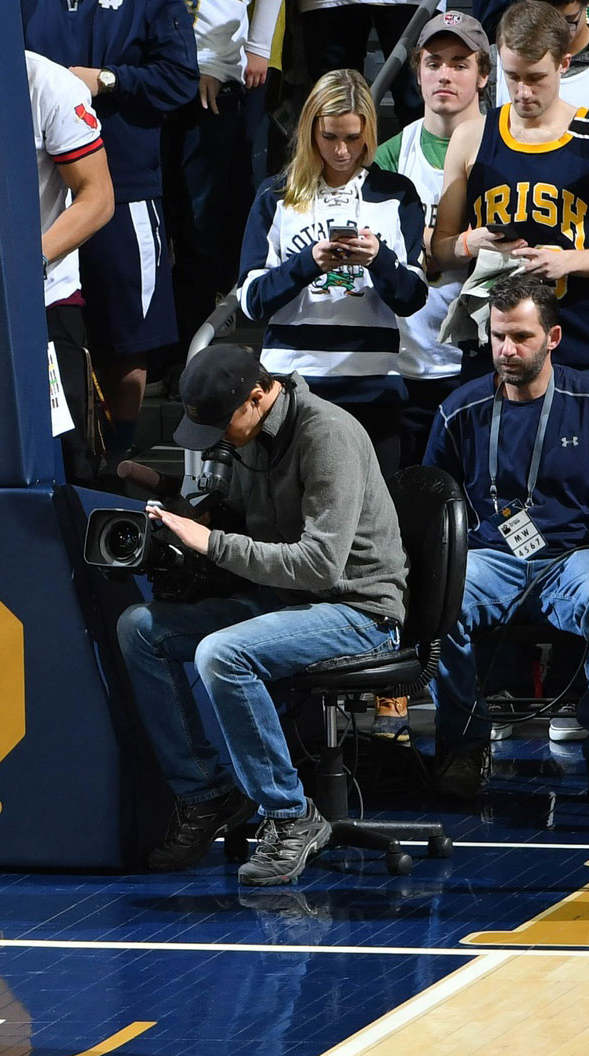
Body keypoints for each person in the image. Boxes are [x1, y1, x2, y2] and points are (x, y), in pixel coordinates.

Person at [116, 344, 408, 886]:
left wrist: (212, 543)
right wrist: (182, 508)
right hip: (283, 600)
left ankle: (291, 815)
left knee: (222, 653)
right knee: (141, 629)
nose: (219, 440)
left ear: (256, 397)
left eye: (221, 425)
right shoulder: (250, 439)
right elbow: (244, 524)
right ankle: (207, 794)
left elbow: (319, 564)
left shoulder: (327, 435)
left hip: (357, 610)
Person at [422, 279, 589, 805]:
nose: (507, 350)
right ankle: (463, 745)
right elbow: (429, 497)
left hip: (573, 557)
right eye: (498, 337)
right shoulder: (459, 409)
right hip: (492, 558)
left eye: (521, 337)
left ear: (553, 337)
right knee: (440, 601)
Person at [21, 0, 198, 457]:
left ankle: (117, 462)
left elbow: (180, 79)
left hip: (125, 186)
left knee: (127, 344)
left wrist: (108, 80)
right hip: (39, 200)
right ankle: (60, 462)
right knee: (46, 337)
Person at [433, 1, 589, 381]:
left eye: (535, 78)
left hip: (577, 343)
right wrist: (470, 243)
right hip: (495, 350)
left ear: (564, 63)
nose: (522, 91)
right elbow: (440, 248)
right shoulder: (471, 137)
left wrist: (568, 261)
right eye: (512, 76)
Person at [238, 70, 429, 474]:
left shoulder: (396, 194)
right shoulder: (276, 195)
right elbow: (251, 302)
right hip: (293, 383)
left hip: (373, 383)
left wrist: (378, 259)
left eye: (353, 137)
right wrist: (309, 263)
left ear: (369, 133)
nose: (342, 150)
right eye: (329, 137)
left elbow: (413, 297)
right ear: (311, 131)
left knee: (376, 506)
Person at [120, 0, 264, 339]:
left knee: (204, 232)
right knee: (140, 227)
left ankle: (196, 350)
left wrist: (215, 61)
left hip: (207, 86)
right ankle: (146, 348)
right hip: (135, 84)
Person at [377, 12, 490, 463]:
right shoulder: (391, 155)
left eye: (460, 63)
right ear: (418, 72)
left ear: (483, 75)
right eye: (433, 62)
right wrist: (443, 241)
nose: (445, 74)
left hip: (480, 359)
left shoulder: (504, 145)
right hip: (406, 361)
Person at [29, 49, 114, 484]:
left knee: (69, 457)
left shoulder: (48, 84)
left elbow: (98, 197)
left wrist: (28, 263)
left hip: (42, 299)